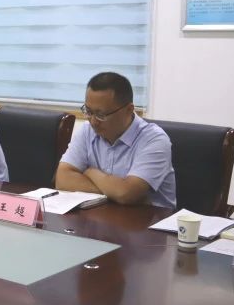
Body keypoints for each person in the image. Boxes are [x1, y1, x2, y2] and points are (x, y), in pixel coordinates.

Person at [55, 72, 176, 208]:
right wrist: (114, 193)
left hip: (150, 219)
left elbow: (127, 193)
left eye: (101, 114)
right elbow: (62, 178)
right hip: (102, 215)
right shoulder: (87, 130)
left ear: (129, 110)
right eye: (88, 111)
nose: (93, 121)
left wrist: (91, 172)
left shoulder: (154, 140)